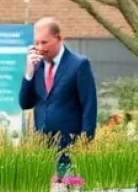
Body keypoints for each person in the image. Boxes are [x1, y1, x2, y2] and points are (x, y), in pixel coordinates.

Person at [19, 17, 97, 153]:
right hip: (42, 149)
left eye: (44, 42)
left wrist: (85, 144)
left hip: (70, 147)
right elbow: (25, 103)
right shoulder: (36, 66)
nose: (40, 48)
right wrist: (29, 73)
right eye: (37, 43)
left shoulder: (79, 65)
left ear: (59, 38)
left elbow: (89, 105)